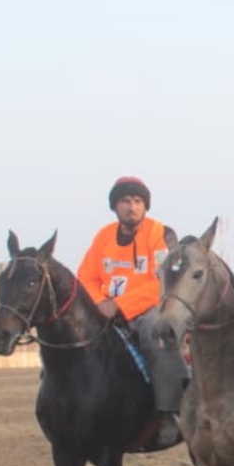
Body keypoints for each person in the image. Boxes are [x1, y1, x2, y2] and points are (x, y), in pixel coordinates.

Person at [77, 176, 185, 449]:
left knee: (157, 337)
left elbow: (161, 281)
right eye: (125, 201)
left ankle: (169, 412)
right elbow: (86, 277)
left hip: (148, 309)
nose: (132, 207)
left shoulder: (158, 234)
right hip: (105, 310)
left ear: (145, 206)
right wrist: (100, 303)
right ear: (115, 206)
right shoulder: (103, 236)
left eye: (138, 201)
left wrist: (120, 306)